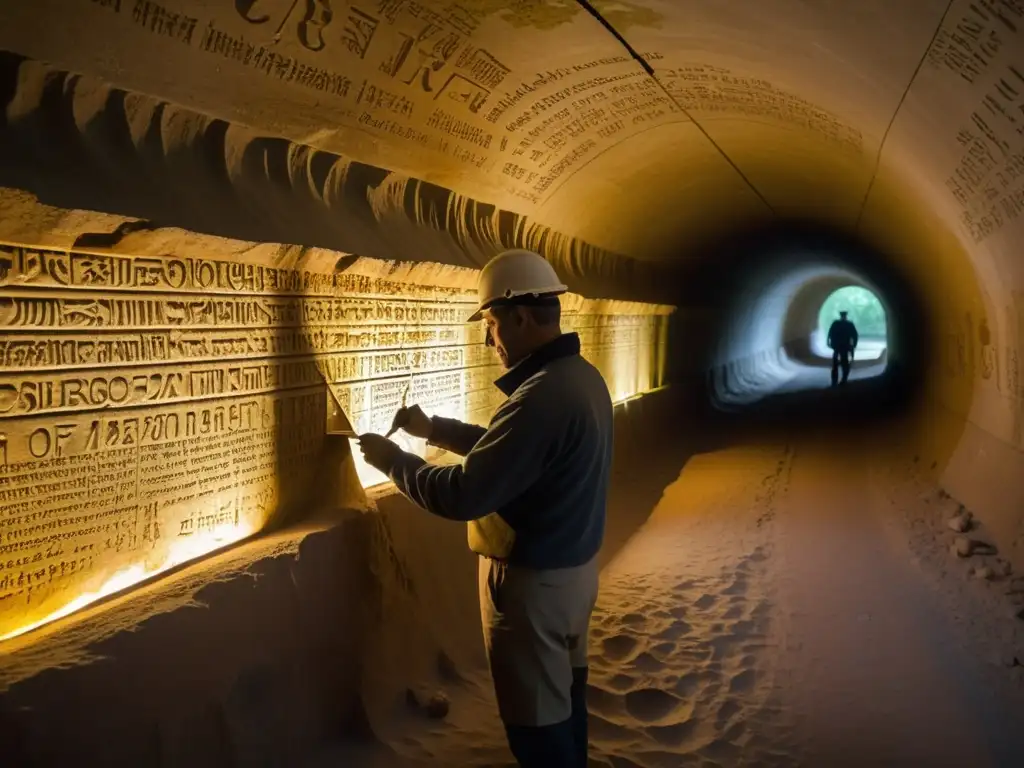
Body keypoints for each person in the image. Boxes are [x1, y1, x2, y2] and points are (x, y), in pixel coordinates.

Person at [356, 249, 614, 768]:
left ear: (520, 316)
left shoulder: (541, 395)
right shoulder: (578, 378)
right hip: (573, 575)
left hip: (533, 588)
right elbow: (518, 455)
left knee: (537, 728)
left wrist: (393, 461)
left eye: (492, 323)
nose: (488, 339)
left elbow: (464, 494)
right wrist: (436, 430)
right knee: (565, 704)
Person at [827, 310, 859, 386]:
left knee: (835, 364)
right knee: (845, 363)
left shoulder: (836, 323)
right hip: (845, 346)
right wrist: (853, 345)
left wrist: (829, 342)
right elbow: (855, 336)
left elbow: (830, 334)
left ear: (841, 316)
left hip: (837, 346)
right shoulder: (849, 324)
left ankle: (835, 381)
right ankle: (843, 380)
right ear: (846, 316)